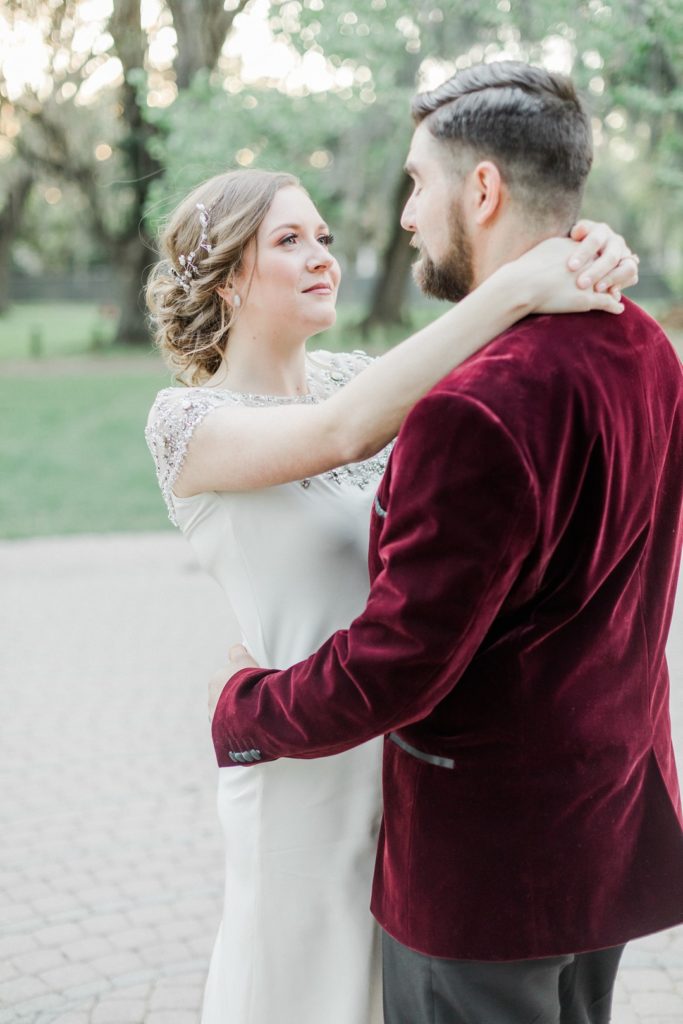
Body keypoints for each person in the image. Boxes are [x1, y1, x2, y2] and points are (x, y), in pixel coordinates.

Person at [210, 62, 683, 1024]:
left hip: (485, 869)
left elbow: (398, 665)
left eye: (418, 183)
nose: (405, 217)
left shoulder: (470, 408)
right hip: (606, 822)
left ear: (482, 189)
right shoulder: (646, 345)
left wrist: (246, 711)